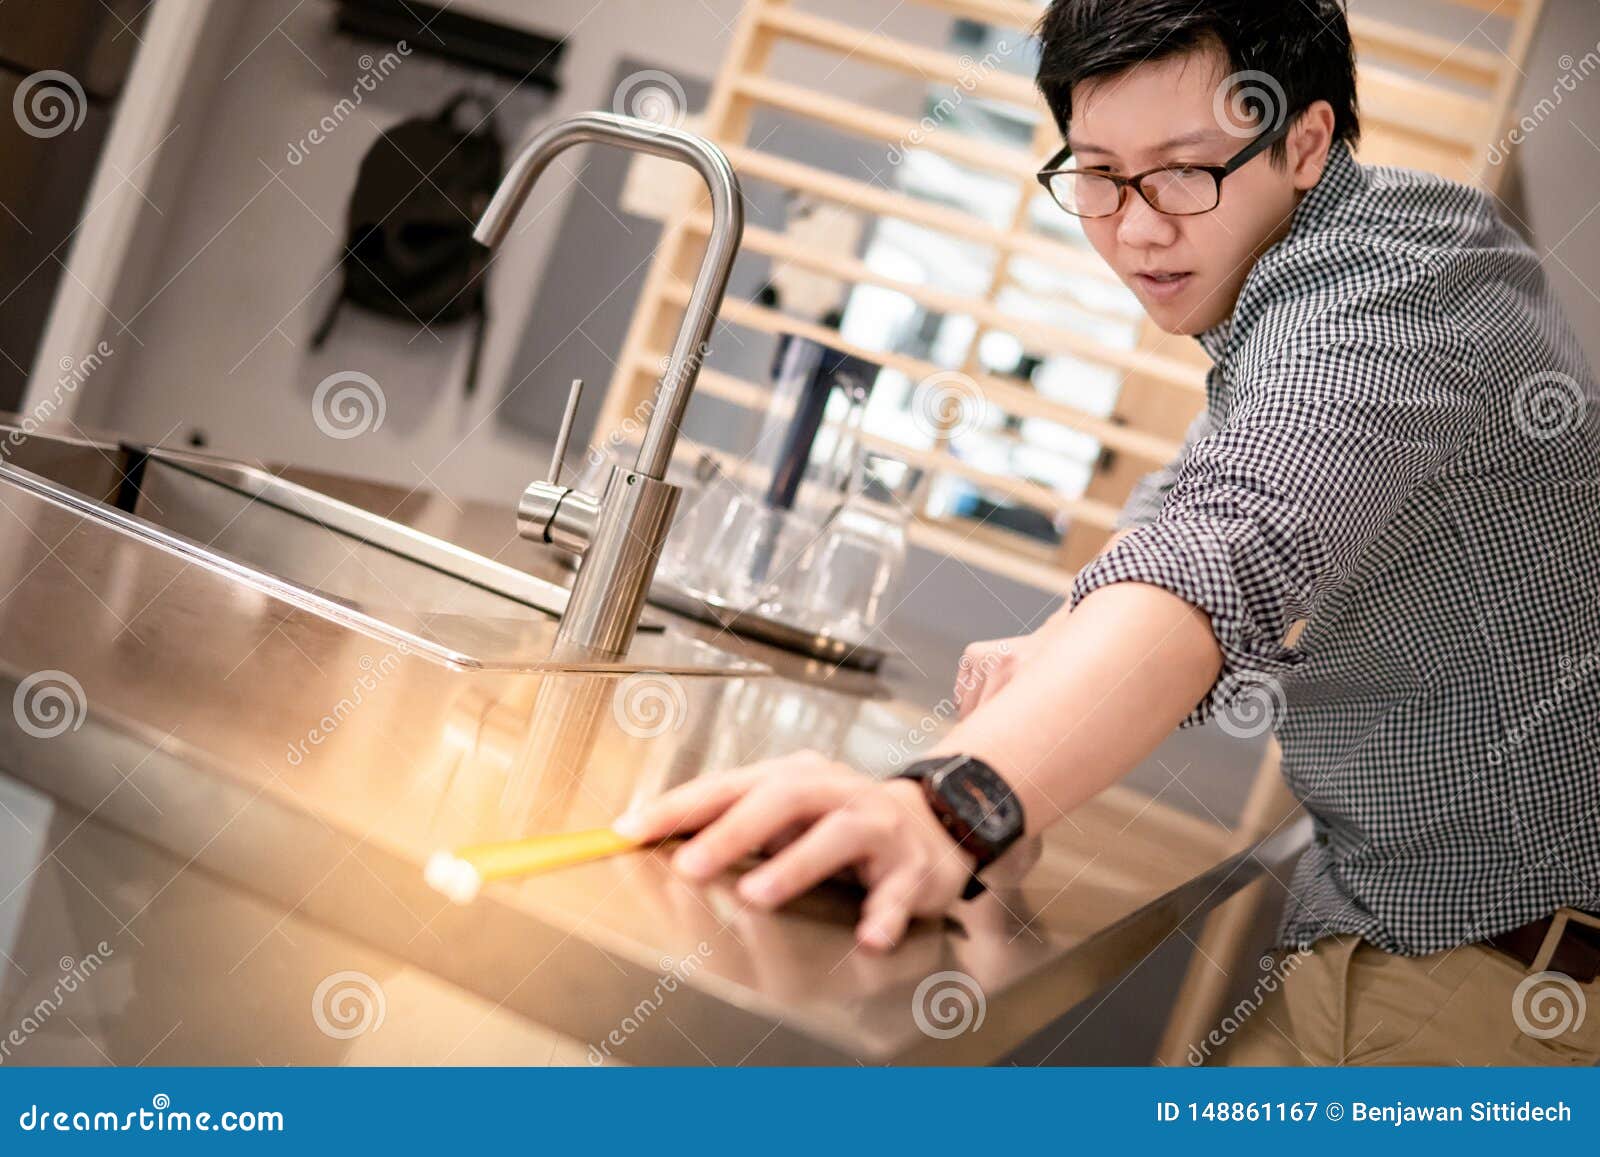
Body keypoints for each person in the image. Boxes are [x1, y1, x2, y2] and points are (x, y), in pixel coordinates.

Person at [613, 0, 1600, 1065]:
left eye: (1183, 170)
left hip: (1498, 984)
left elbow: (1234, 542)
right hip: (1387, 928)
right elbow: (1177, 521)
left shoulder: (1396, 295)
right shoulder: (1315, 278)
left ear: (1305, 141)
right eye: (1096, 173)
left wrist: (954, 804)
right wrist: (1006, 726)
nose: (1134, 227)